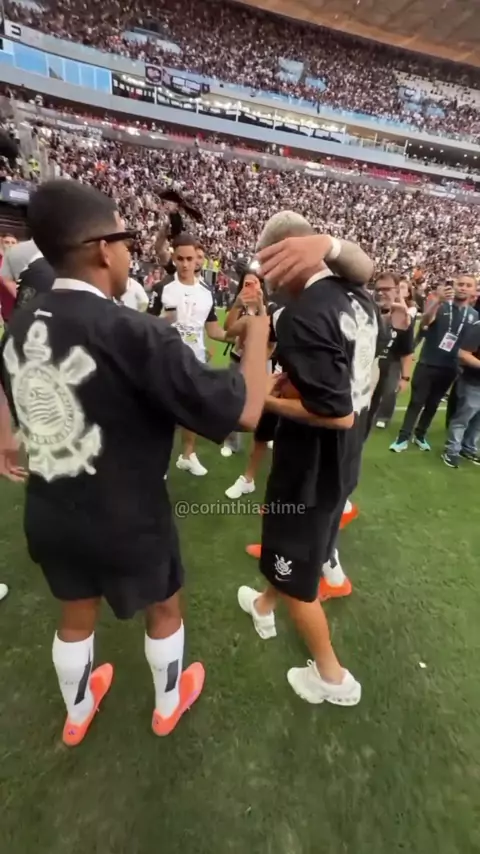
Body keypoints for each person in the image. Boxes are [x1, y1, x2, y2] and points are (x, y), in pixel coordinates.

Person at [0, 179, 269, 746]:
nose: (130, 253)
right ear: (103, 249)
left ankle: (77, 714)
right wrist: (259, 329)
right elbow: (246, 410)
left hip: (50, 508)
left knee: (75, 615)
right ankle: (167, 705)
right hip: (128, 515)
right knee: (164, 609)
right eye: (125, 241)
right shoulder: (135, 331)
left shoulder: (20, 323)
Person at [237, 212, 378, 706]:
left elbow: (335, 413)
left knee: (298, 572)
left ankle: (332, 678)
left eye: (270, 264)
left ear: (286, 257)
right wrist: (296, 383)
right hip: (344, 461)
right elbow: (350, 381)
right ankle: (263, 604)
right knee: (299, 550)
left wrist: (266, 400)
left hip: (311, 468)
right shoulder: (356, 294)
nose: (268, 277)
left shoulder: (300, 315)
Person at [161, 234, 230, 477]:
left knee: (191, 410)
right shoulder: (164, 288)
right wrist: (164, 321)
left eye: (190, 259)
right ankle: (160, 462)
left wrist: (239, 337)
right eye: (180, 259)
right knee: (164, 412)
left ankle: (187, 456)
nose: (185, 264)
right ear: (174, 258)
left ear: (197, 260)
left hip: (195, 360)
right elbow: (149, 323)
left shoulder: (206, 292)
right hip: (166, 359)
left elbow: (213, 330)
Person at [390, 276, 478, 453]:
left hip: (451, 367)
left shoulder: (474, 316)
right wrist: (437, 301)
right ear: (454, 286)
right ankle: (403, 437)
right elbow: (424, 323)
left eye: (468, 285)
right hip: (428, 362)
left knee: (433, 403)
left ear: (474, 291)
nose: (463, 288)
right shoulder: (442, 306)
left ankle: (420, 434)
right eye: (460, 284)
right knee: (416, 402)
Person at [369, 273, 414, 432]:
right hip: (368, 365)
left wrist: (405, 378)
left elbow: (406, 351)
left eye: (387, 289)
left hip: (390, 363)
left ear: (396, 291)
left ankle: (383, 417)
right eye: (378, 289)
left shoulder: (403, 317)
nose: (381, 293)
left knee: (388, 393)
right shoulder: (367, 311)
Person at [442, 320, 480, 467]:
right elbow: (463, 354)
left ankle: (468, 448)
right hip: (473, 382)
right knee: (462, 419)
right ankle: (451, 450)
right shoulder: (478, 327)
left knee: (478, 422)